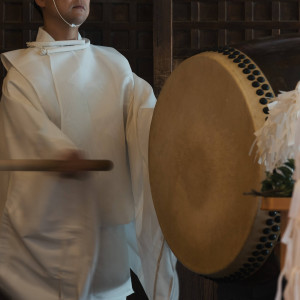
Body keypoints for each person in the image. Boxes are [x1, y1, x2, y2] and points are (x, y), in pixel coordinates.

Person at [0, 0, 179, 299]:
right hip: (56, 247)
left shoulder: (115, 64)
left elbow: (150, 123)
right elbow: (28, 135)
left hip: (112, 242)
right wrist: (58, 155)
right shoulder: (23, 75)